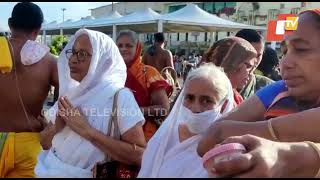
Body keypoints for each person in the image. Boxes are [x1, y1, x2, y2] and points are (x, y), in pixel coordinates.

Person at [197, 8, 320, 157]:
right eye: (285, 51)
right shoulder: (279, 91)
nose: (285, 63)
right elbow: (208, 141)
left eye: (301, 49)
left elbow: (220, 132)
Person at [35, 29, 146, 178]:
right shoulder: (71, 94)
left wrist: (88, 131)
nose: (73, 60)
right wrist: (56, 128)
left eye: (82, 54)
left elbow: (140, 155)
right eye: (73, 52)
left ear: (102, 59)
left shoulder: (119, 97)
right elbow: (45, 144)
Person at [138, 63, 235, 178]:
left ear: (223, 106)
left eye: (206, 101)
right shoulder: (163, 138)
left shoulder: (225, 153)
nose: (195, 108)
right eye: (190, 98)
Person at [0, 2, 58, 178]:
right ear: (38, 29)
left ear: (10, 24)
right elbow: (66, 102)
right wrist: (49, 123)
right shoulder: (50, 62)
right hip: (30, 144)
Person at [116, 30, 172, 142]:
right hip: (116, 136)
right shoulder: (110, 74)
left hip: (145, 137)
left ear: (137, 48)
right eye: (120, 46)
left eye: (128, 46)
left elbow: (164, 110)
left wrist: (135, 112)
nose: (123, 49)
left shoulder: (149, 73)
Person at [204, 134, 320, 178]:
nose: (197, 110)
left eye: (207, 100)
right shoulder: (276, 95)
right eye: (189, 98)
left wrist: (282, 157)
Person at [200, 37, 257, 106]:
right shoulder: (204, 95)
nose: (250, 73)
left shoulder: (235, 97)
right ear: (232, 64)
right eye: (248, 66)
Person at [235, 29, 274, 100]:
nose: (253, 61)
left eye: (258, 56)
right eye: (249, 55)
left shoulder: (268, 87)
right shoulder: (215, 82)